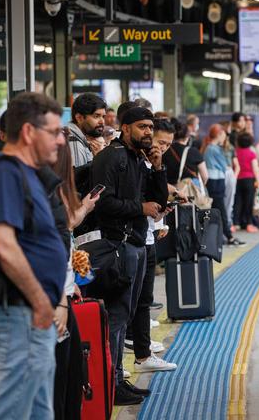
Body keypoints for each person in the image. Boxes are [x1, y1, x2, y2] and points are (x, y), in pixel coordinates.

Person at [0, 92, 67, 419]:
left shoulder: (29, 175)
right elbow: (3, 243)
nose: (60, 141)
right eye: (54, 132)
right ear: (30, 132)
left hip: (30, 317)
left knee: (36, 412)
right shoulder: (6, 172)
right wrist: (41, 301)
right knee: (9, 412)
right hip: (20, 315)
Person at [89, 106, 168, 405]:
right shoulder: (112, 157)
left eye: (150, 127)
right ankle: (111, 382)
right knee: (117, 320)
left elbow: (157, 202)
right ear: (124, 128)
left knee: (126, 317)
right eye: (142, 126)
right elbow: (103, 201)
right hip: (116, 246)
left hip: (135, 244)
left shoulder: (139, 159)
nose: (148, 132)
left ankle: (117, 378)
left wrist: (158, 169)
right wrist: (140, 209)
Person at [49, 132, 99, 420]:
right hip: (51, 303)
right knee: (58, 383)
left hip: (61, 295)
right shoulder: (42, 193)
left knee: (70, 376)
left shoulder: (48, 192)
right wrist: (59, 299)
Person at [127, 117, 178, 374]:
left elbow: (155, 198)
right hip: (133, 238)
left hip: (147, 234)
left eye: (168, 145)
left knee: (144, 299)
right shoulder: (132, 161)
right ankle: (135, 352)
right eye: (160, 142)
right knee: (133, 301)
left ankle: (142, 353)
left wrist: (160, 219)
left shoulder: (154, 162)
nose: (163, 148)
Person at [203, 124, 245, 247]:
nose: (225, 138)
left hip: (214, 181)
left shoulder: (209, 148)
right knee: (221, 209)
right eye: (224, 135)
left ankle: (223, 236)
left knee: (218, 209)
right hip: (216, 181)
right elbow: (225, 164)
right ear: (219, 134)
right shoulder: (214, 149)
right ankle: (229, 236)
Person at [163, 119, 208, 187]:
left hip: (170, 190)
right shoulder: (194, 152)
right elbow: (205, 176)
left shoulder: (165, 150)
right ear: (188, 136)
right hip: (190, 191)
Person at [67, 93, 107, 168]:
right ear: (79, 118)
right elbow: (78, 179)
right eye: (96, 116)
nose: (102, 121)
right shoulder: (74, 142)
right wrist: (99, 160)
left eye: (103, 116)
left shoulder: (83, 139)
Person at [234, 132, 259, 232]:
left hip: (238, 180)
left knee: (238, 202)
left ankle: (235, 223)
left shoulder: (236, 152)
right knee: (249, 202)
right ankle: (249, 224)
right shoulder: (251, 153)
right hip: (249, 180)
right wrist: (258, 181)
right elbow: (255, 169)